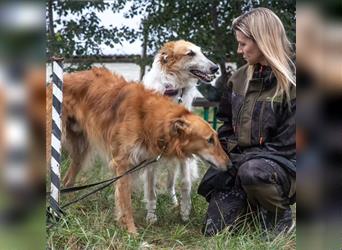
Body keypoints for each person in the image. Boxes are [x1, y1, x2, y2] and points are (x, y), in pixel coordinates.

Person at [198, 7, 296, 237]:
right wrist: (225, 160)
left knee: (254, 171)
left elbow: (288, 146)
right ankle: (252, 206)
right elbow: (226, 126)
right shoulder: (238, 78)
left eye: (243, 44)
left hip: (286, 168)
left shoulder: (295, 81)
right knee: (213, 231)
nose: (238, 50)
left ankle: (278, 215)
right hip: (243, 164)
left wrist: (242, 162)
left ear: (264, 41)